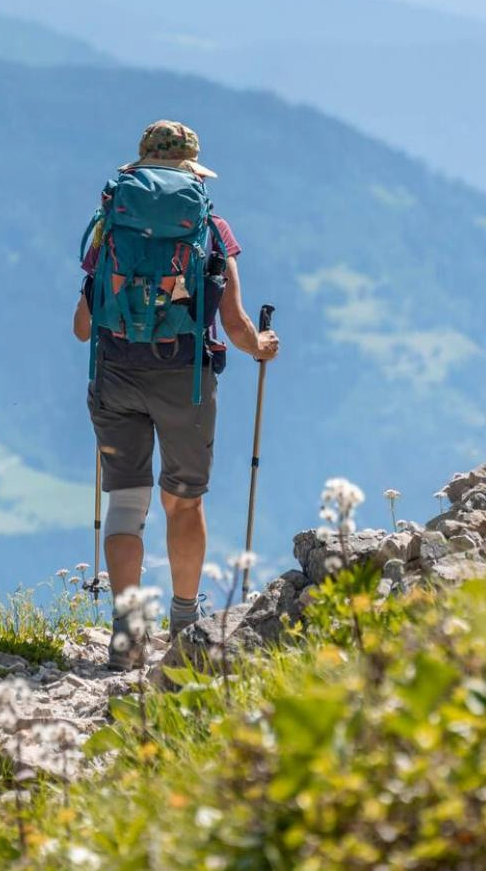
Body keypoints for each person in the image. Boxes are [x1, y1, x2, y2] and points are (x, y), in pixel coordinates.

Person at [73, 120, 279, 669]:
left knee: (126, 504)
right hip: (182, 378)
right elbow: (235, 327)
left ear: (140, 164)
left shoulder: (109, 225)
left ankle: (128, 633)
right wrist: (261, 346)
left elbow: (80, 326)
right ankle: (186, 623)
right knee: (183, 501)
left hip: (116, 374)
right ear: (191, 171)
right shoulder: (209, 227)